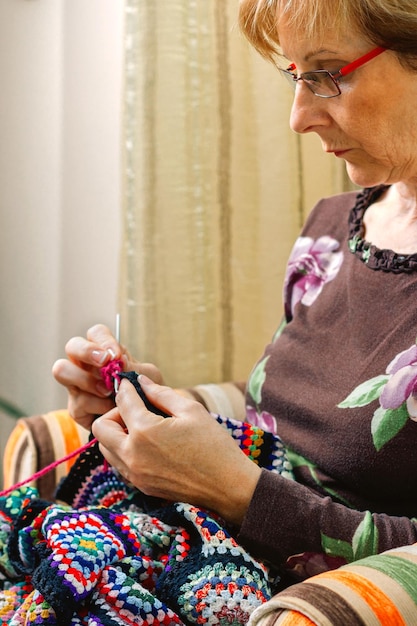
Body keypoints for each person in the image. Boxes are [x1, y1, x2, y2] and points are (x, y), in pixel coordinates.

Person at [52, 0, 417, 583]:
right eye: (297, 76)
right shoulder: (330, 226)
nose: (298, 117)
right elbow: (284, 443)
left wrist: (235, 492)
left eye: (328, 74)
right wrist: (153, 417)